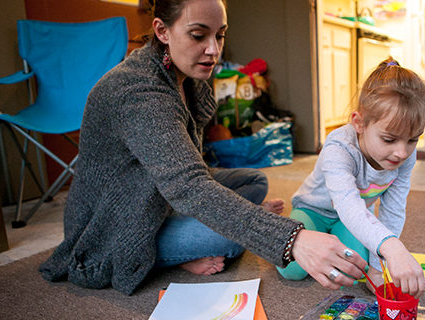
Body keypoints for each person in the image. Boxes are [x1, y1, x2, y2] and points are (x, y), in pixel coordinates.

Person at [38, 0, 367, 295]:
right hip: (118, 225)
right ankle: (166, 257)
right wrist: (290, 239)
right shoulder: (139, 91)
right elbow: (188, 185)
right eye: (198, 35)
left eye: (219, 35)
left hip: (160, 196)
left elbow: (190, 173)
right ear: (162, 31)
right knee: (227, 238)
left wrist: (245, 219)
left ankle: (213, 228)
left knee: (254, 182)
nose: (213, 49)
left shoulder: (185, 76)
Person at [277, 57, 425, 298]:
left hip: (351, 218)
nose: (402, 152)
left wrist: (377, 266)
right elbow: (348, 206)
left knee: (356, 269)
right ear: (359, 123)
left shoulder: (404, 156)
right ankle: (277, 230)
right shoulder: (338, 148)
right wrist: (392, 247)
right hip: (313, 210)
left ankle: (334, 240)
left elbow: (393, 210)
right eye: (389, 139)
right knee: (292, 270)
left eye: (413, 140)